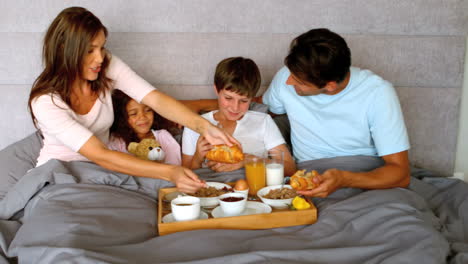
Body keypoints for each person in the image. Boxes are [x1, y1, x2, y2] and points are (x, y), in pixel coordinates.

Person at [27, 7, 237, 194]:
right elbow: (100, 154)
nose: (100, 58)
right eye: (90, 50)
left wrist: (205, 127)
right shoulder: (45, 101)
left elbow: (154, 98)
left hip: (104, 172)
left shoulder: (105, 66)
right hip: (63, 173)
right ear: (65, 50)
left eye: (101, 47)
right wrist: (170, 172)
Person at [261, 28, 411, 197]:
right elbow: (257, 109)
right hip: (311, 176)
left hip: (366, 176)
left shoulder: (377, 93)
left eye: (299, 82)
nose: (288, 81)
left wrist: (345, 179)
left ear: (330, 85)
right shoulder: (286, 77)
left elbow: (401, 174)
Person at [181, 57, 296, 176]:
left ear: (252, 97)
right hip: (210, 189)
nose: (235, 108)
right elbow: (184, 175)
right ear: (216, 90)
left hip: (253, 190)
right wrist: (198, 157)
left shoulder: (263, 121)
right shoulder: (195, 124)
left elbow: (290, 168)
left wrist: (248, 160)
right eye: (228, 98)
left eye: (244, 100)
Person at [108, 89, 181, 165]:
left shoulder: (163, 136)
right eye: (133, 114)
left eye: (148, 110)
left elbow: (175, 165)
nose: (142, 117)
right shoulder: (117, 141)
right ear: (122, 118)